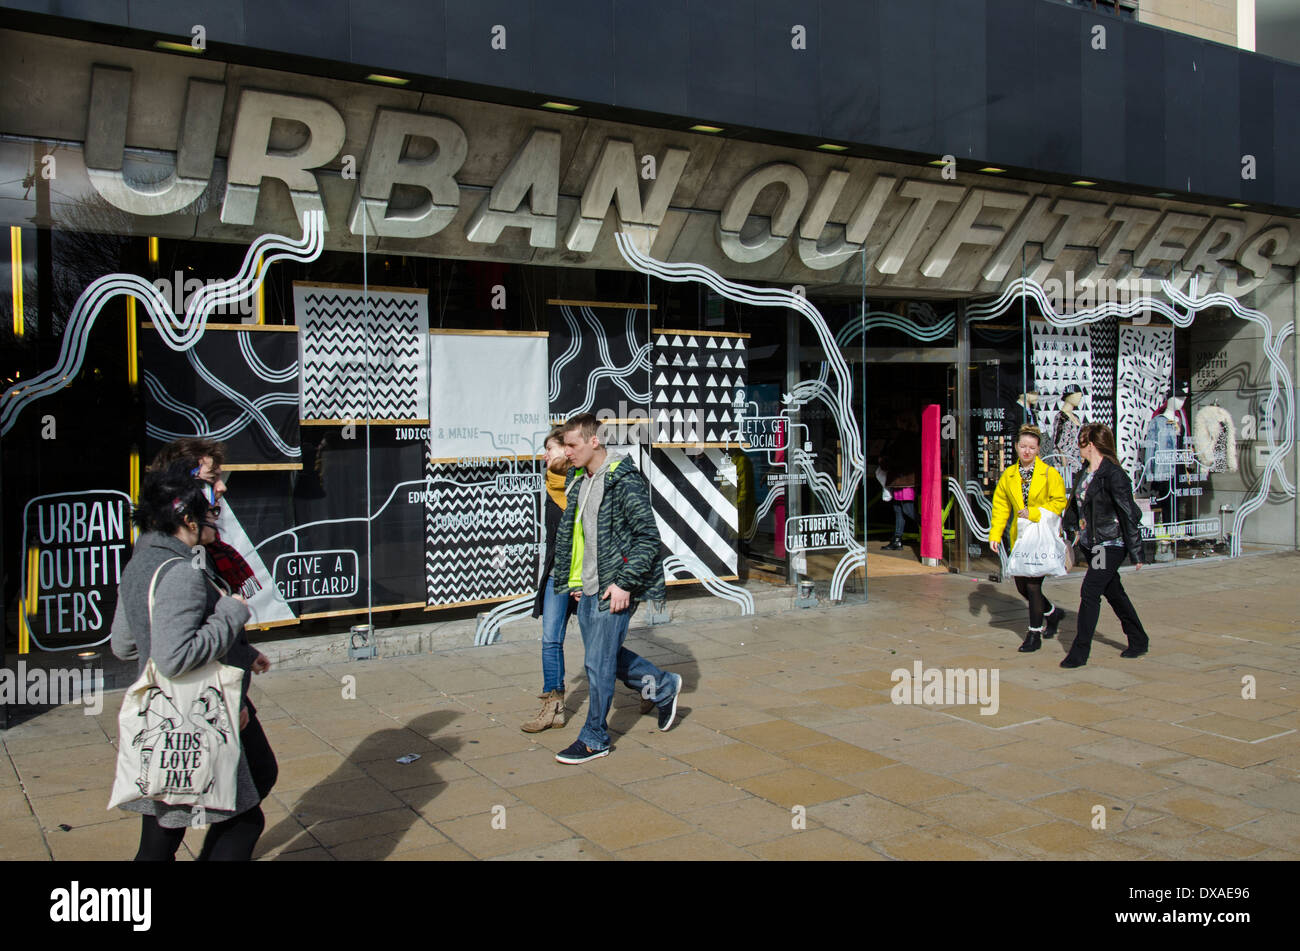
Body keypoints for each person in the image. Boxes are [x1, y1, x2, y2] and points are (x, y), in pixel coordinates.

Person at [110, 464, 276, 860]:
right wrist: (230, 615)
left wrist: (236, 649)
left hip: (162, 724)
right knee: (243, 822)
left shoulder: (140, 564)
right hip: (196, 719)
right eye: (209, 511)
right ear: (187, 519)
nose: (216, 518)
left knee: (160, 838)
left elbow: (124, 645)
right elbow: (174, 656)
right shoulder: (181, 573)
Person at [550, 413, 682, 764]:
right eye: (564, 445)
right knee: (603, 658)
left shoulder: (623, 479)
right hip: (589, 587)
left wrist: (625, 584)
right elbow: (578, 537)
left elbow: (648, 538)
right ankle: (663, 685)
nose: (567, 452)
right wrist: (576, 581)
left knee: (597, 662)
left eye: (572, 445)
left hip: (616, 587)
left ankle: (595, 737)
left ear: (595, 441)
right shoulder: (580, 478)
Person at [1060, 423, 1150, 669]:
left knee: (1090, 591)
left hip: (1109, 544)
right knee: (1113, 592)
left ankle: (1079, 652)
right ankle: (1139, 639)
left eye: (1080, 442)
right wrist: (1069, 529)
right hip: (1092, 543)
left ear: (1090, 445)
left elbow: (1128, 513)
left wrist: (1136, 551)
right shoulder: (1084, 472)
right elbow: (1075, 506)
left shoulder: (1114, 475)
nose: (1077, 447)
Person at [988, 425, 1069, 653]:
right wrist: (995, 534)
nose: (1026, 451)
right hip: (1020, 537)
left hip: (1040, 536)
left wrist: (1034, 513)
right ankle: (1053, 613)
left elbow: (1059, 501)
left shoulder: (1048, 473)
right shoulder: (1009, 475)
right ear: (1015, 447)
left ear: (1038, 449)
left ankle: (1034, 633)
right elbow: (1001, 506)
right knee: (1022, 586)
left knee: (1033, 585)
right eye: (1023, 446)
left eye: (1031, 447)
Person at [149, 438, 260, 599]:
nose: (222, 487)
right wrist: (229, 612)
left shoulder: (204, 548)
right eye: (211, 479)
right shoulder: (168, 561)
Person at [521, 429, 576, 732]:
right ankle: (553, 706)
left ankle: (651, 683)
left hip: (584, 578)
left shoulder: (582, 483)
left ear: (566, 452)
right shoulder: (550, 486)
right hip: (557, 576)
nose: (544, 455)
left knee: (602, 647)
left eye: (549, 449)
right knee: (550, 639)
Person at [879, 413, 921, 551]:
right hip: (904, 479)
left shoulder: (904, 438)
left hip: (902, 479)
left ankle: (929, 527)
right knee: (898, 509)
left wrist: (884, 462)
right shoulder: (913, 437)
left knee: (907, 509)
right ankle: (897, 539)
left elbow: (898, 459)